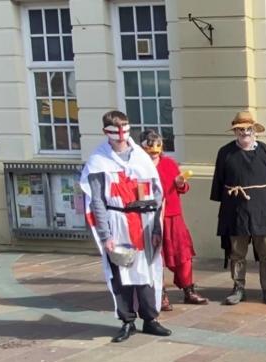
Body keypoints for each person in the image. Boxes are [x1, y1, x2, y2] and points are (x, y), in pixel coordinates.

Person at [80, 110, 172, 343]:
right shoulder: (98, 161)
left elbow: (157, 195)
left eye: (124, 130)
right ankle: (127, 321)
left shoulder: (141, 157)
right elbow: (97, 200)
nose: (121, 136)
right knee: (121, 274)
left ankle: (150, 319)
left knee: (146, 272)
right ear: (106, 132)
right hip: (117, 222)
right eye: (115, 131)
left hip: (143, 222)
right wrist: (105, 235)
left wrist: (157, 229)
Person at [210, 111, 266, 306]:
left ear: (254, 131)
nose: (244, 133)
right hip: (236, 211)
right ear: (235, 132)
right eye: (240, 130)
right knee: (237, 252)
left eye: (248, 129)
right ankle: (238, 288)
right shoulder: (225, 153)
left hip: (262, 211)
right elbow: (219, 182)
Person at [139, 129, 208, 310]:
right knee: (156, 258)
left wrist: (181, 183)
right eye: (150, 146)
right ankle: (160, 294)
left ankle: (188, 290)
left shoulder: (169, 163)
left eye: (158, 145)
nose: (154, 150)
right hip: (150, 218)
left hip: (173, 216)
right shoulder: (138, 167)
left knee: (183, 255)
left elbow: (182, 188)